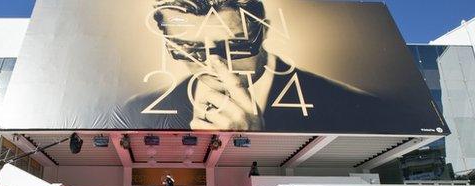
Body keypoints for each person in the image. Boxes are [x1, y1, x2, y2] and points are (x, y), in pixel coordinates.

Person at [108, 0, 421, 133]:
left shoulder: (361, 110)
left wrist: (250, 145)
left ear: (264, 30)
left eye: (235, 46)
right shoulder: (138, 110)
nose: (215, 64)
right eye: (189, 50)